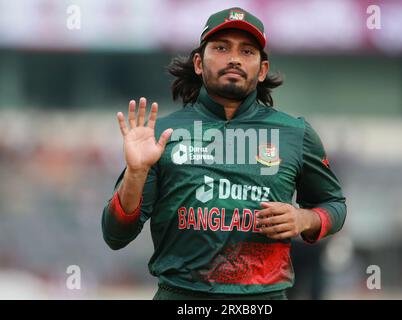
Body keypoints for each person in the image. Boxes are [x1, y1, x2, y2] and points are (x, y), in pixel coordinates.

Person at [101, 7, 346, 300]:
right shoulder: (162, 135)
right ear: (198, 63)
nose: (234, 58)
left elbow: (334, 204)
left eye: (247, 51)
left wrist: (304, 218)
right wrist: (136, 173)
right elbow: (115, 235)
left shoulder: (295, 133)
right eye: (221, 48)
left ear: (262, 69)